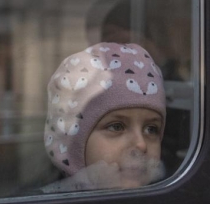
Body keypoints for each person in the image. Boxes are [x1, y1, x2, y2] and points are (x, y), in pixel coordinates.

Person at [41, 42, 167, 193]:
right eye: (116, 126)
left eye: (151, 129)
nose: (141, 144)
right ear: (72, 141)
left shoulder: (170, 197)